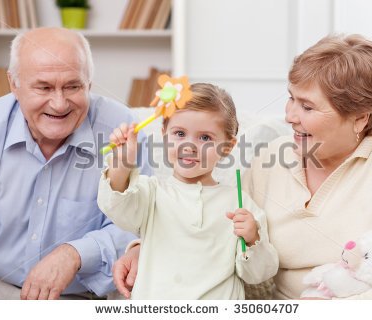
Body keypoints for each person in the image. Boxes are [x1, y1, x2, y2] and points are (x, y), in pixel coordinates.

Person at [113, 34, 372, 299]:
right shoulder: (274, 157)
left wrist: (344, 310)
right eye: (291, 99)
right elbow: (214, 218)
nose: (290, 116)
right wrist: (143, 247)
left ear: (360, 119)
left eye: (307, 107)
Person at [0, 27, 151, 299]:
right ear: (14, 84)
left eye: (73, 86)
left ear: (89, 84)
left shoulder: (124, 131)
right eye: (43, 87)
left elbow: (142, 227)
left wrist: (75, 253)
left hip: (78, 297)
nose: (59, 103)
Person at [97, 83, 279, 299]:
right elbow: (116, 207)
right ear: (164, 135)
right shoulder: (150, 192)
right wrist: (122, 163)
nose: (189, 146)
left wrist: (252, 238)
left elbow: (258, 274)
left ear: (227, 147)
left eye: (205, 138)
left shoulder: (240, 204)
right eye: (180, 133)